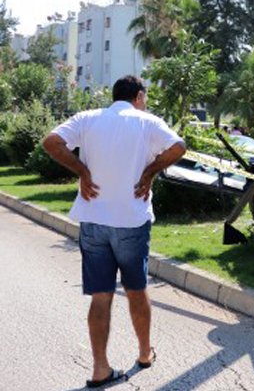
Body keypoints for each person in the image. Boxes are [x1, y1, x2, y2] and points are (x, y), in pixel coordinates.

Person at [42, 75, 186, 388]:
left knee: (100, 295)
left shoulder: (88, 118)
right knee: (136, 290)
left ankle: (99, 369)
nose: (145, 103)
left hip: (93, 220)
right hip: (132, 221)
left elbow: (51, 142)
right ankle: (145, 354)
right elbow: (179, 147)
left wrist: (82, 170)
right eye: (144, 97)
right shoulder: (147, 122)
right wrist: (149, 172)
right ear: (138, 96)